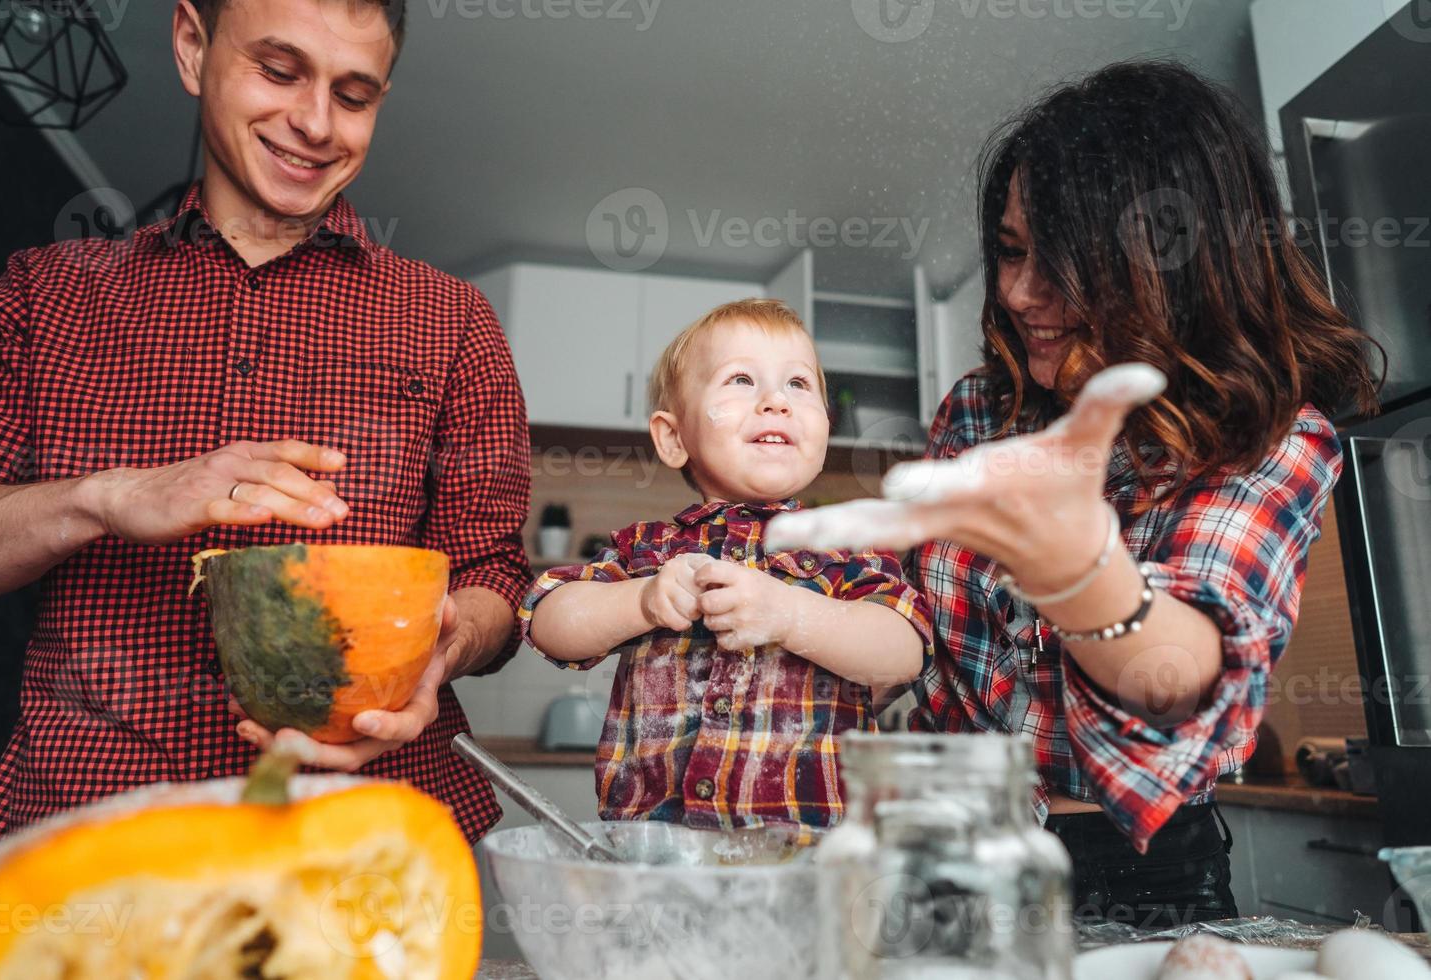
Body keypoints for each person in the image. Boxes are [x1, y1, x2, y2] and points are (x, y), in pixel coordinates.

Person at [768, 61, 1380, 925]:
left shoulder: (1274, 436)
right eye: (1012, 251)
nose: (1018, 292)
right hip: (944, 845)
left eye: (1061, 260)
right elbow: (905, 634)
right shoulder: (981, 410)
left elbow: (1177, 673)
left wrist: (1074, 567)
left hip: (1136, 875)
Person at [0, 0, 531, 854]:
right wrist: (110, 496)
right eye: (278, 69)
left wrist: (441, 654)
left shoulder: (453, 320)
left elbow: (495, 575)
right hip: (85, 827)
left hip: (364, 836)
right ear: (193, 47)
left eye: (354, 93)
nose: (314, 123)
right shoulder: (44, 294)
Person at [520, 300, 932, 829]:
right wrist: (640, 600)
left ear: (825, 428)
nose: (776, 401)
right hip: (663, 864)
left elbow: (903, 651)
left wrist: (789, 614)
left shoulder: (846, 550)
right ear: (673, 437)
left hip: (806, 865)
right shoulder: (649, 552)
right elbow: (548, 620)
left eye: (799, 385)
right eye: (741, 379)